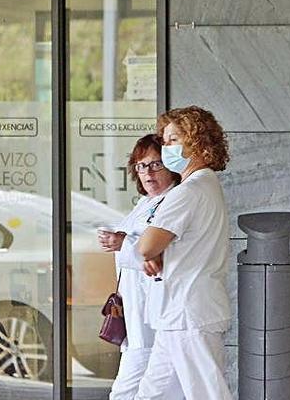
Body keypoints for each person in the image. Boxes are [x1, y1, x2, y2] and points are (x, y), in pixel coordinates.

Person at [133, 106, 232, 400]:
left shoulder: (187, 192)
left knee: (207, 394)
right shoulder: (207, 186)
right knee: (152, 394)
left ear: (198, 142)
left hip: (188, 312)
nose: (166, 148)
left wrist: (152, 252)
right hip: (181, 312)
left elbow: (146, 245)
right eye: (165, 141)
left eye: (173, 140)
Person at [97, 134, 183, 400]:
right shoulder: (145, 203)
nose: (148, 173)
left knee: (126, 392)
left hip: (152, 316)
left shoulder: (175, 201)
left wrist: (123, 242)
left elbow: (160, 256)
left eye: (156, 164)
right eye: (141, 166)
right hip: (136, 316)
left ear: (171, 166)